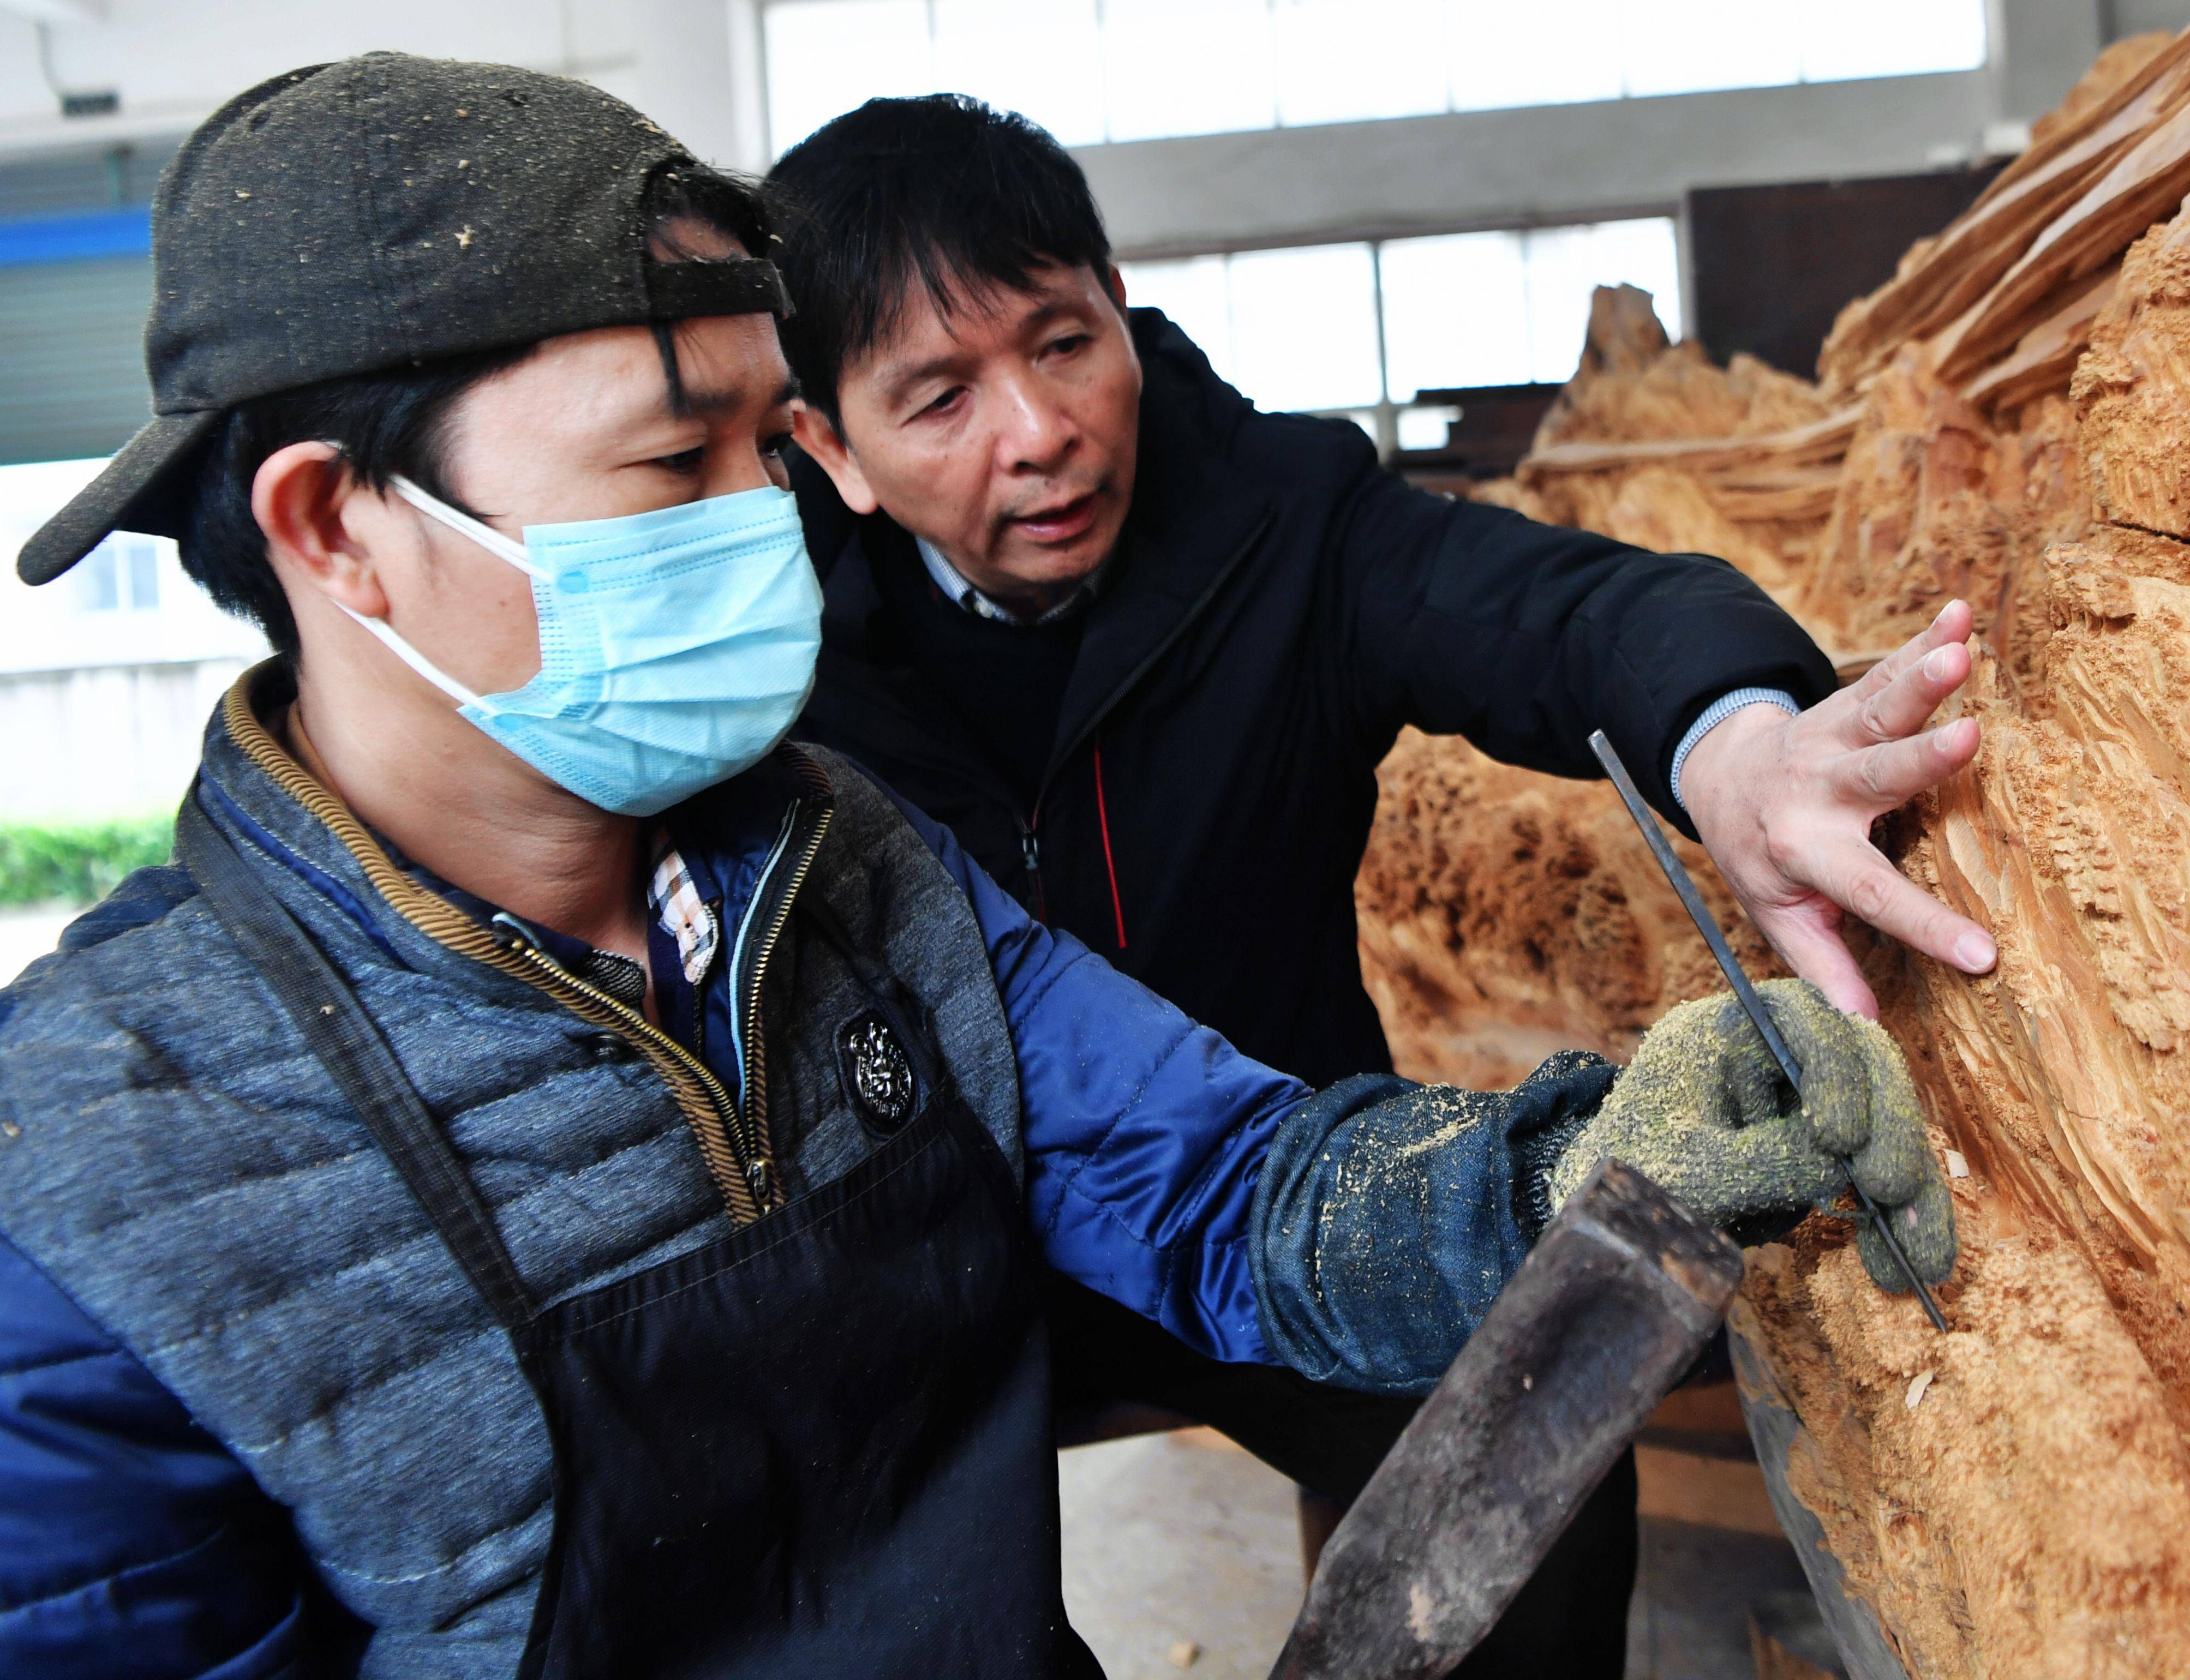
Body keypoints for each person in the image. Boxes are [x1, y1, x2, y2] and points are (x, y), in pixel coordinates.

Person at [0, 57, 1954, 1680]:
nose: (760, 527)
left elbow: (1214, 1177)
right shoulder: (99, 1172)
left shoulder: (853, 880)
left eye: (760, 454)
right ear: (335, 527)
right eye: (680, 469)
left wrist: (1585, 1179)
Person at [767, 94, 1994, 1674]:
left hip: (1278, 1199)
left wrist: (1736, 745)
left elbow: (1558, 611)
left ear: (1123, 306)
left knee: (1537, 1412)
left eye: (1063, 342)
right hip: (946, 1255)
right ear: (828, 446)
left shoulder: (1277, 520)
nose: (1039, 430)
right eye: (938, 397)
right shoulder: (777, 663)